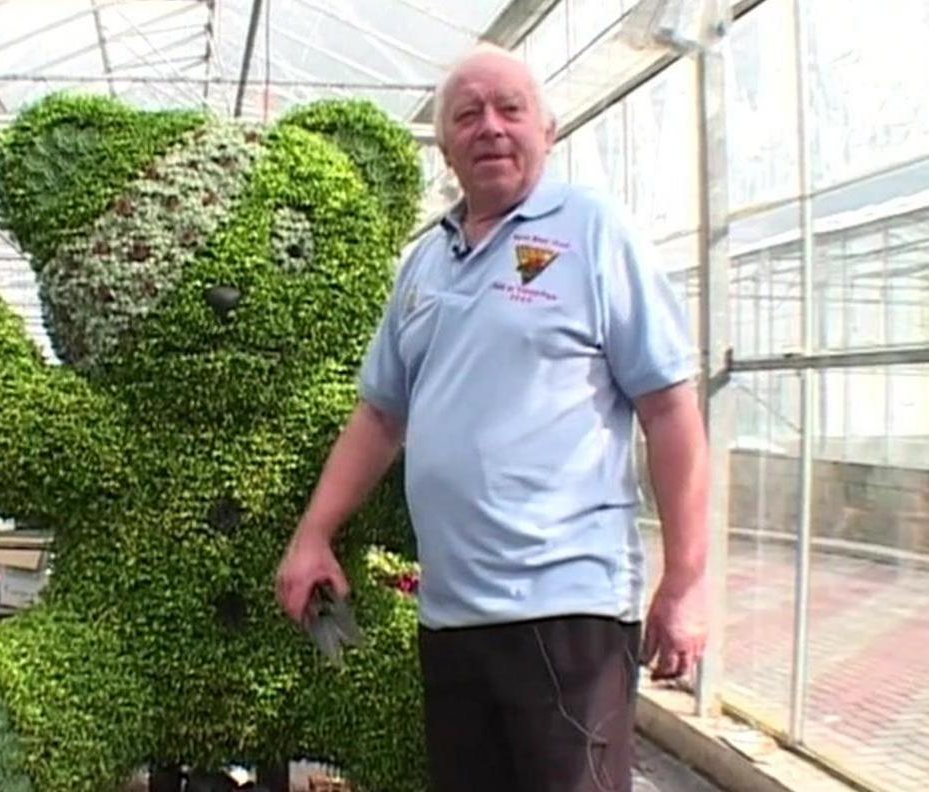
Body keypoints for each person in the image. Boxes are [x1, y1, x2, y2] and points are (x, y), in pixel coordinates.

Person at [275, 43, 710, 792]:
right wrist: (313, 532)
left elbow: (670, 408)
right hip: (450, 617)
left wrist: (688, 580)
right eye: (468, 113)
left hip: (567, 609)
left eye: (510, 108)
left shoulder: (592, 230)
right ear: (444, 145)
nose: (490, 126)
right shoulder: (426, 263)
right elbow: (380, 415)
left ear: (550, 128)